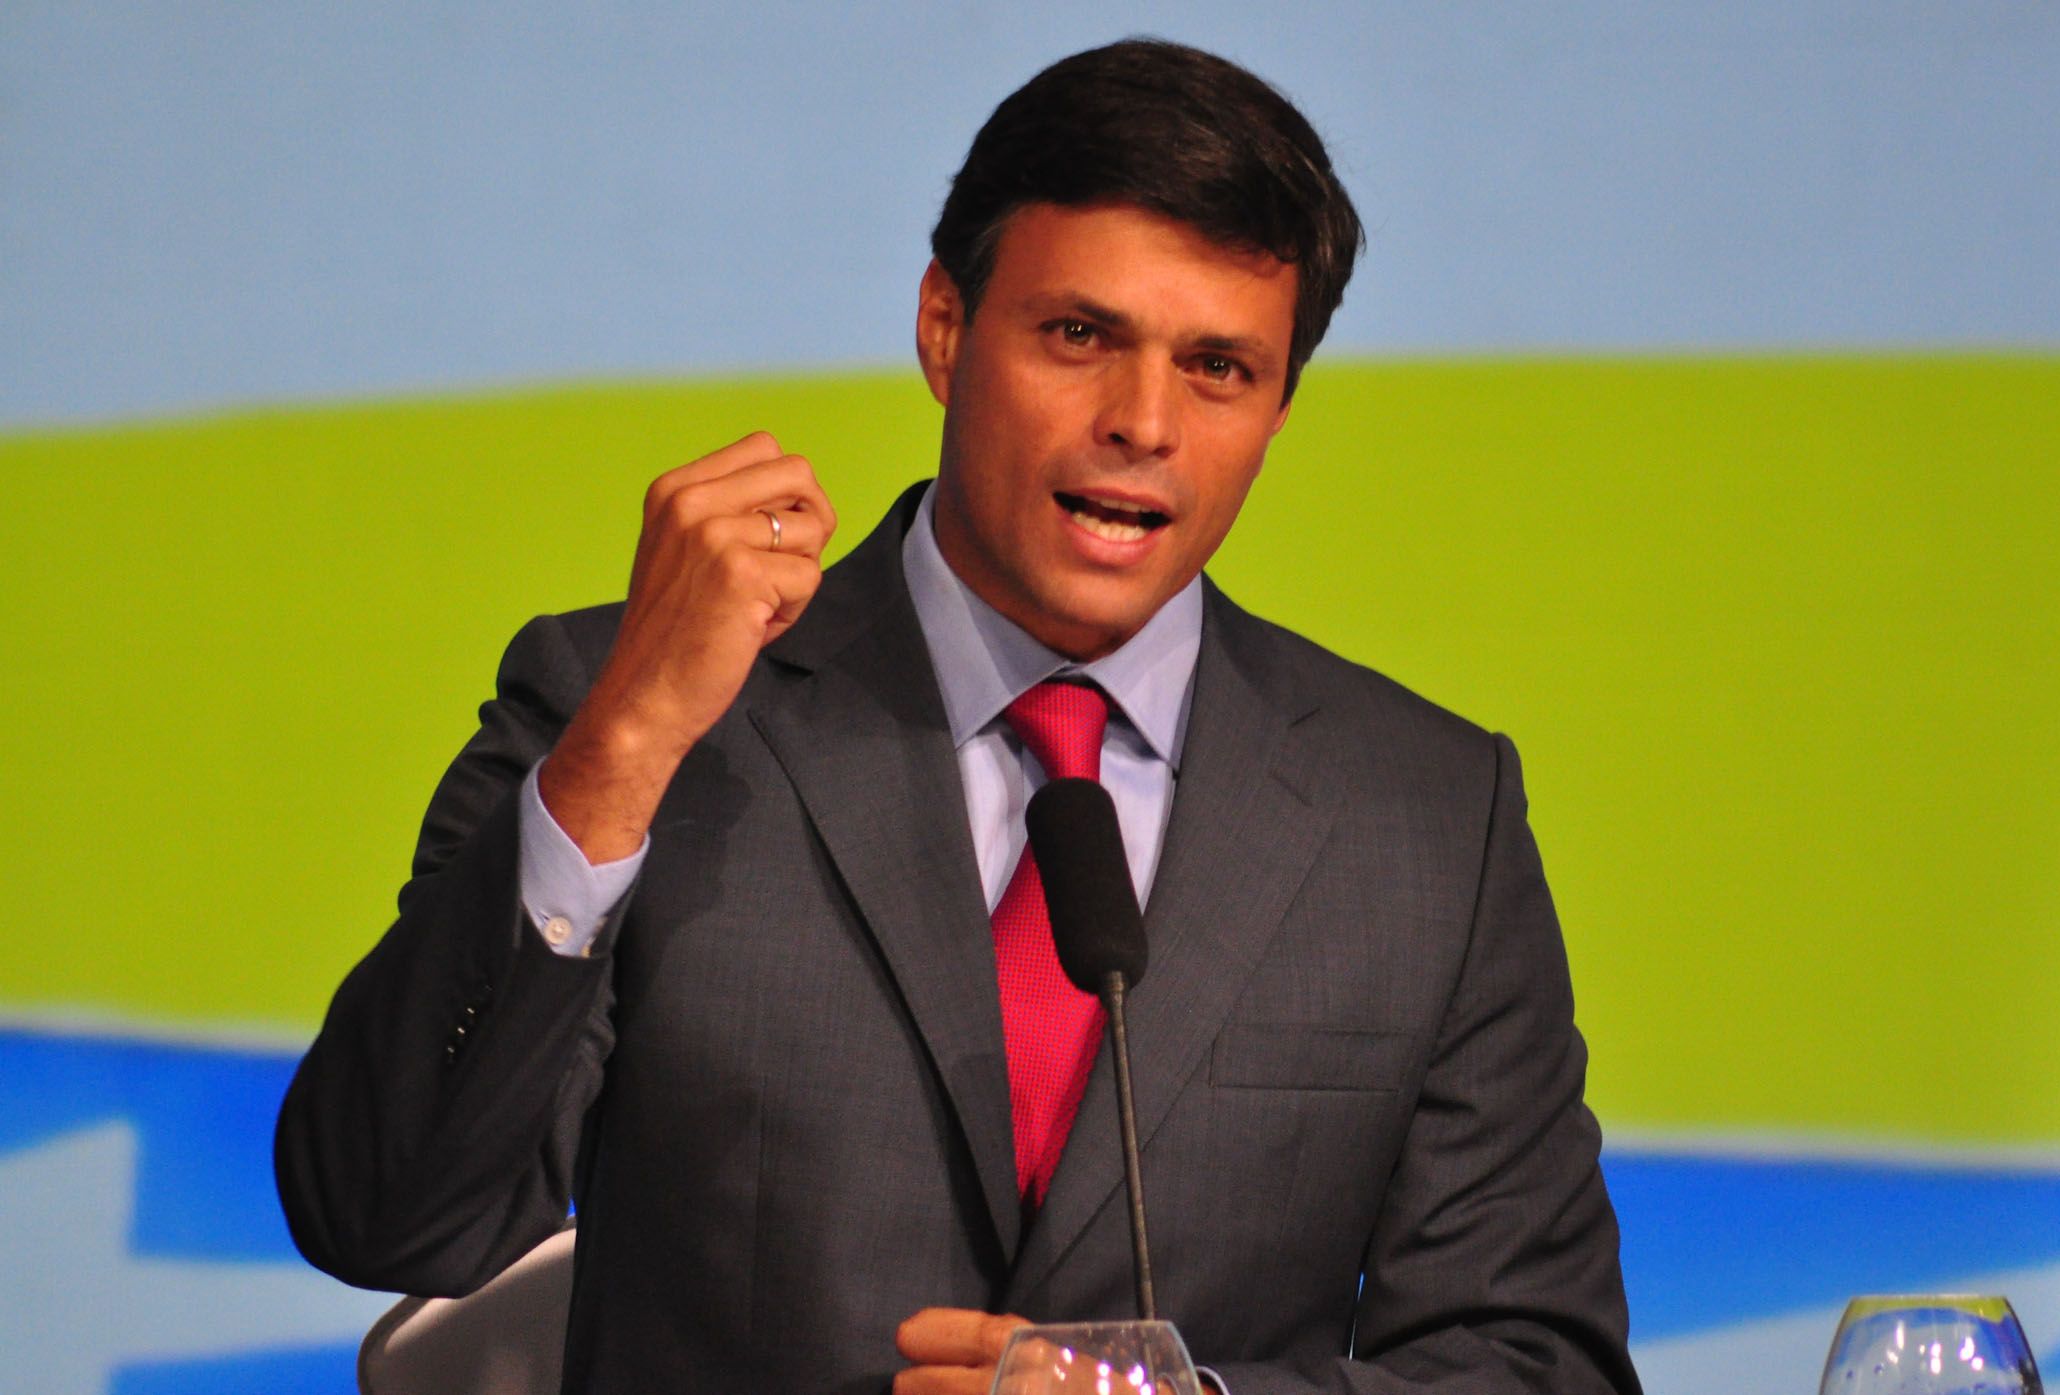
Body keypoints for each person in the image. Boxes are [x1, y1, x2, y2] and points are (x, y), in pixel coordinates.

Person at [277, 38, 1641, 1395]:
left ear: (1279, 404)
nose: (1144, 423)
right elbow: (382, 1215)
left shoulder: (1423, 820)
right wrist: (624, 750)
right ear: (945, 329)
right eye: (1080, 336)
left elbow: (1538, 1365)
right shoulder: (634, 708)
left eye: (1219, 367)